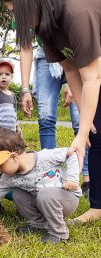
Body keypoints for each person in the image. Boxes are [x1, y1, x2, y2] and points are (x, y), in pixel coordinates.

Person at [2, 0, 101, 223]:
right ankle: (98, 206)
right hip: (93, 69)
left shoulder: (76, 13)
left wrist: (82, 130)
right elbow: (70, 68)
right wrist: (86, 112)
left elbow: (93, 76)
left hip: (96, 68)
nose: (14, 19)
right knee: (97, 134)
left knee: (90, 133)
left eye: (15, 11)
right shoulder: (44, 26)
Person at [0, 127, 81, 244]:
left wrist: (72, 179)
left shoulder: (45, 157)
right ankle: (37, 224)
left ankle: (59, 233)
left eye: (0, 165)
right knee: (18, 194)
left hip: (66, 198)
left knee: (45, 194)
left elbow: (70, 155)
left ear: (14, 157)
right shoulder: (9, 177)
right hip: (42, 201)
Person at [20, 45, 90, 198]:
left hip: (75, 56)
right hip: (46, 58)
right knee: (45, 118)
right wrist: (25, 90)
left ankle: (87, 178)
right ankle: (50, 176)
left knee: (81, 121)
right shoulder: (24, 21)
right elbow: (25, 48)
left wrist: (72, 82)